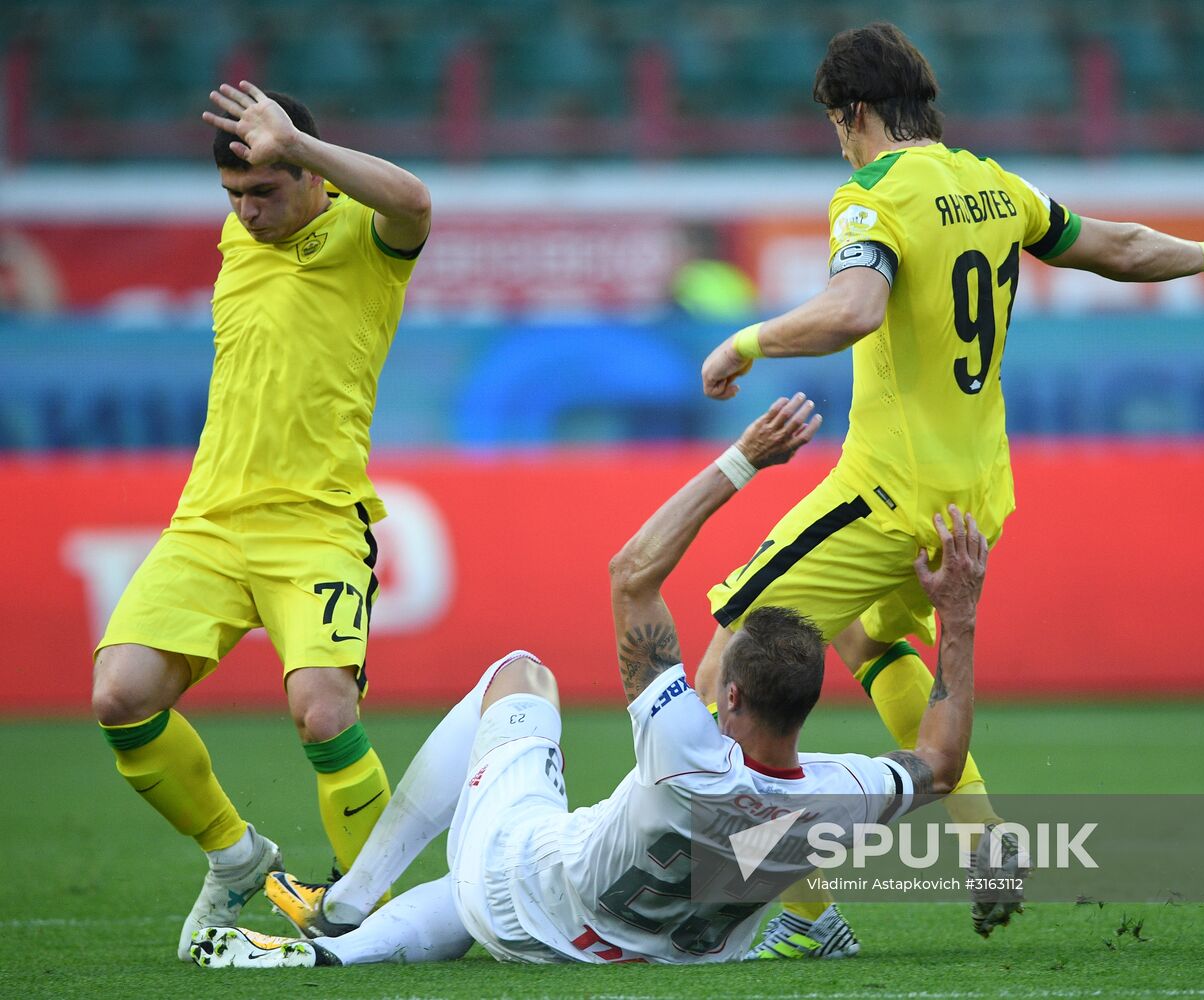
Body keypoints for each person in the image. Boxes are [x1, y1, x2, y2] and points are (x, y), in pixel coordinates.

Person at [695, 21, 1204, 955]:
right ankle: (981, 839)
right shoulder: (993, 186)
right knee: (865, 633)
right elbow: (1120, 247)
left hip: (885, 493)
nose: (838, 144)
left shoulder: (870, 195)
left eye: (836, 125)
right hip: (971, 501)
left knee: (732, 669)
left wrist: (743, 342)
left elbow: (853, 309)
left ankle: (803, 909)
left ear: (855, 113)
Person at [186, 393, 999, 968]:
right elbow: (940, 751)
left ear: (728, 698)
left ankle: (354, 899)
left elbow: (630, 575)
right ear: (808, 702)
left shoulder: (684, 746)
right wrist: (956, 618)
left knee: (518, 675)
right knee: (501, 875)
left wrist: (743, 458)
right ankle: (340, 952)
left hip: (525, 898)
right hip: (626, 955)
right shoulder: (839, 791)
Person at [90, 81, 432, 962]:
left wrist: (300, 142)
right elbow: (251, 186)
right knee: (121, 698)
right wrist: (262, 154)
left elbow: (414, 199)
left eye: (264, 191)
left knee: (323, 713)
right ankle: (238, 858)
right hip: (205, 521)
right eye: (233, 197)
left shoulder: (365, 237)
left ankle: (374, 908)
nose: (246, 214)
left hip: (316, 522)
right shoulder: (244, 237)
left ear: (313, 180)